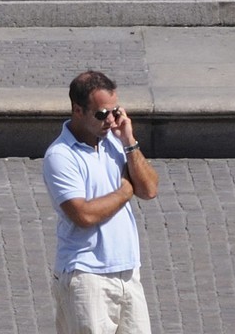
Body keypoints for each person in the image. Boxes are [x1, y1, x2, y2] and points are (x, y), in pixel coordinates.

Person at [41, 69, 159, 334]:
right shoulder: (61, 156)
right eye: (101, 114)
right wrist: (125, 192)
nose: (110, 120)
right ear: (77, 110)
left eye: (115, 111)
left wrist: (129, 141)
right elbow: (83, 215)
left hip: (128, 272)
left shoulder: (115, 143)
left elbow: (149, 189)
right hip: (86, 277)